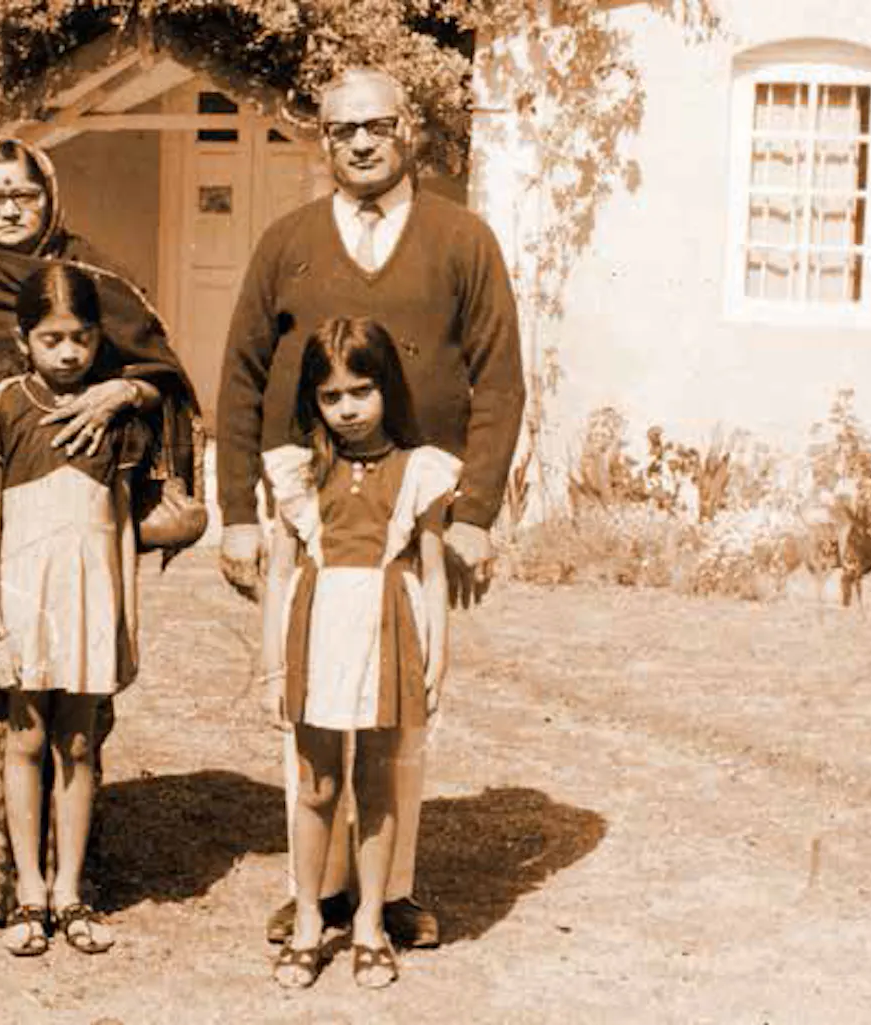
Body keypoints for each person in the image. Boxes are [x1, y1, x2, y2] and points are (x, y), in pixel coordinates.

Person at [214, 67, 525, 947]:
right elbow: (240, 376)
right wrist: (237, 511)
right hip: (313, 516)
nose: (359, 142)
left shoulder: (463, 239)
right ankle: (315, 886)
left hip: (417, 514)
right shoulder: (287, 242)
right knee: (310, 709)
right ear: (323, 140)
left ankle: (392, 893)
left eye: (377, 125)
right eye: (342, 129)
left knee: (402, 709)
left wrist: (475, 514)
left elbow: (500, 379)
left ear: (408, 130)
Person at [0, 138, 198, 927]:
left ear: (49, 197)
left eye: (24, 195)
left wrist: (118, 392)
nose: (9, 210)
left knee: (71, 702)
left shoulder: (90, 276)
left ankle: (67, 878)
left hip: (79, 513)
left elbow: (162, 373)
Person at [262, 317, 458, 988]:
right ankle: (309, 919)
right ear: (313, 400)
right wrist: (272, 665)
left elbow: (433, 571)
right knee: (317, 783)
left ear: (387, 389)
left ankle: (371, 922)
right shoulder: (299, 471)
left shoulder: (418, 471)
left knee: (377, 783)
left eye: (361, 391)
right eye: (330, 396)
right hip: (317, 631)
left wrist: (438, 656)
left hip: (387, 629)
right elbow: (279, 573)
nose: (347, 409)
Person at [0, 264, 150, 956]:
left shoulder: (116, 419)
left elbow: (122, 524)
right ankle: (29, 890)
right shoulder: (2, 409)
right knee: (26, 737)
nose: (69, 352)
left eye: (82, 337)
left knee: (78, 742)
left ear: (98, 337)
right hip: (23, 595)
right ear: (23, 340)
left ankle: (71, 890)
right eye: (52, 338)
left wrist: (127, 619)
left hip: (90, 594)